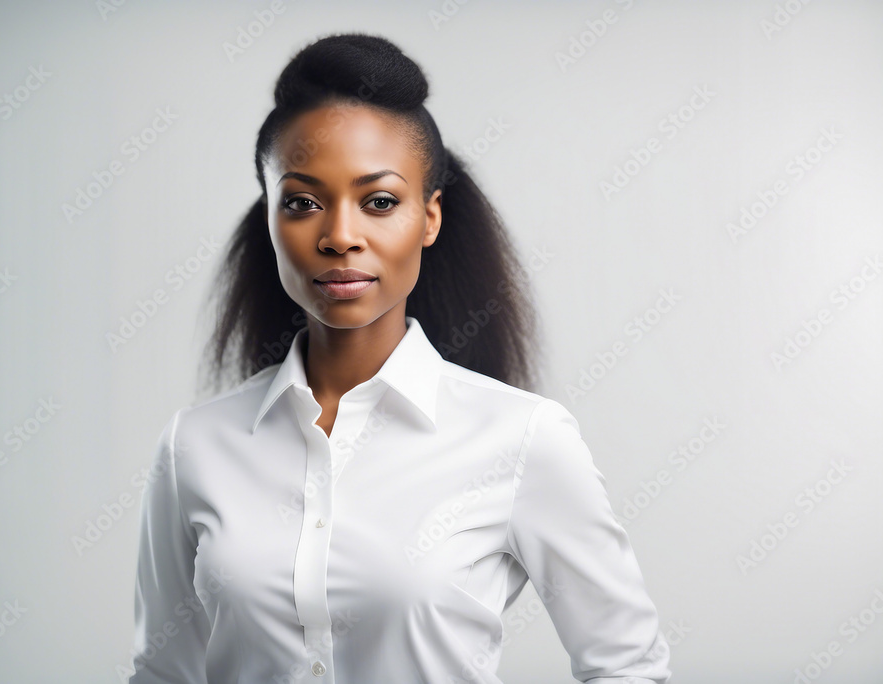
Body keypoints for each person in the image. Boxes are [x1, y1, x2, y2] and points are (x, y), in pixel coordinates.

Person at [130, 32, 671, 684]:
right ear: (269, 218)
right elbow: (164, 673)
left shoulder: (523, 439)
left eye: (380, 201)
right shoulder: (196, 445)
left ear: (430, 216)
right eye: (302, 202)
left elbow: (628, 666)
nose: (339, 236)